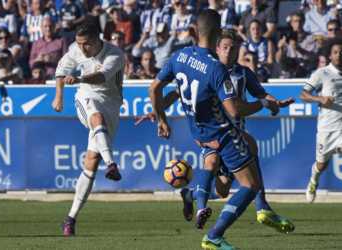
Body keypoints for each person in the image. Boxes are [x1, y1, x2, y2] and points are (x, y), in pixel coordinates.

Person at [136, 28, 295, 234]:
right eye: (225, 47)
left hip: (233, 136)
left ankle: (190, 195)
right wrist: (156, 112)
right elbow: (176, 93)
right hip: (214, 133)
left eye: (233, 48)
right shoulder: (207, 69)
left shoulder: (243, 73)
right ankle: (260, 207)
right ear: (217, 49)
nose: (228, 52)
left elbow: (262, 94)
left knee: (221, 192)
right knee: (224, 158)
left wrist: (276, 103)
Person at [52, 23, 125, 235]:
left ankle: (70, 219)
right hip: (85, 96)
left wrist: (80, 78)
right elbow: (60, 69)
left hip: (111, 104)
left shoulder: (115, 54)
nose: (82, 49)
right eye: (79, 44)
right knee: (96, 117)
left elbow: (103, 76)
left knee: (91, 162)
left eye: (86, 45)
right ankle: (111, 163)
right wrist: (59, 95)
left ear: (97, 40)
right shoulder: (76, 50)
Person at [299, 37, 342, 203]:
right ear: (330, 55)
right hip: (327, 128)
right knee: (321, 165)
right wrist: (321, 99)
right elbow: (303, 94)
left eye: (341, 52)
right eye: (335, 52)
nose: (339, 55)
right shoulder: (321, 74)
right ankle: (313, 181)